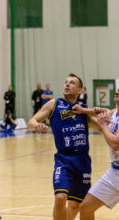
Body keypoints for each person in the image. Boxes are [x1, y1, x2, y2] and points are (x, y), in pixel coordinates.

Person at [73, 79, 119, 220]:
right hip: (114, 172)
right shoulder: (115, 112)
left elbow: (116, 144)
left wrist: (103, 126)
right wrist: (84, 110)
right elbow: (104, 112)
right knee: (85, 207)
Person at [27, 74, 94, 220]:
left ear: (80, 89)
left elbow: (101, 125)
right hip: (64, 159)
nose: (67, 84)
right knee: (60, 198)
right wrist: (36, 125)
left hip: (83, 162)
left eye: (72, 83)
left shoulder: (84, 109)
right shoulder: (54, 104)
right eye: (65, 82)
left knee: (76, 205)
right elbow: (31, 121)